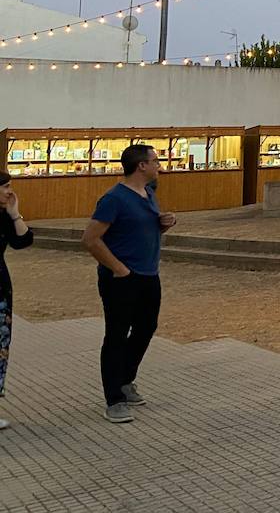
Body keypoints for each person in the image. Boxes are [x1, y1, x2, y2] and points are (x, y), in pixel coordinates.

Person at [80, 144, 177, 424]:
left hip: (149, 274)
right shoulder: (114, 199)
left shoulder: (149, 193)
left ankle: (125, 379)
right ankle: (114, 399)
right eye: (155, 161)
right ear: (141, 166)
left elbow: (138, 228)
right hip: (120, 278)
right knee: (117, 334)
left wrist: (163, 223)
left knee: (147, 327)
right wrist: (119, 269)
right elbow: (90, 239)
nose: (159, 165)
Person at [0, 169, 34, 430]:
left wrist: (15, 214)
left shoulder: (4, 216)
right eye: (5, 187)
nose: (10, 191)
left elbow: (24, 241)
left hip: (0, 291)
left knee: (0, 351)